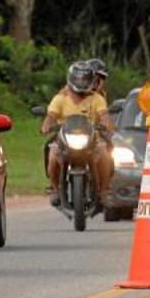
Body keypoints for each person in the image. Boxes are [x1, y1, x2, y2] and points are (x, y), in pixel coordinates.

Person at [41, 62, 113, 206]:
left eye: (85, 80)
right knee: (53, 156)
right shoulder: (60, 98)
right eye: (78, 80)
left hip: (92, 140)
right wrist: (47, 125)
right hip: (64, 140)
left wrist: (106, 125)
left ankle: (103, 191)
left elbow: (104, 116)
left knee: (105, 155)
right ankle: (55, 189)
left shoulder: (97, 99)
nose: (81, 83)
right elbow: (50, 117)